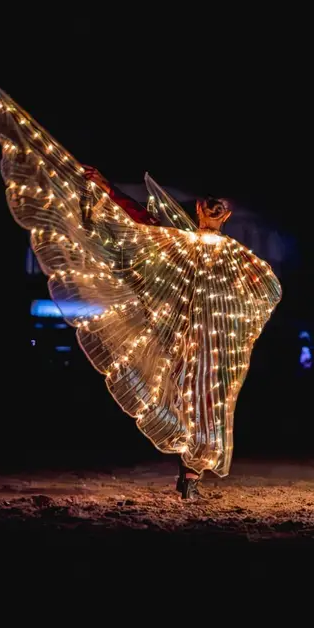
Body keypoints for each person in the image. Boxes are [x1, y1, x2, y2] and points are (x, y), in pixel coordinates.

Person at [81, 165, 237, 500]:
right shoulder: (178, 240)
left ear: (228, 213)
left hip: (212, 342)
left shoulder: (233, 257)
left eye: (219, 205)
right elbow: (140, 222)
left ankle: (191, 476)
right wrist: (108, 189)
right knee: (181, 400)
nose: (212, 210)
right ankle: (188, 472)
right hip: (176, 335)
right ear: (198, 207)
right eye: (209, 203)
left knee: (207, 405)